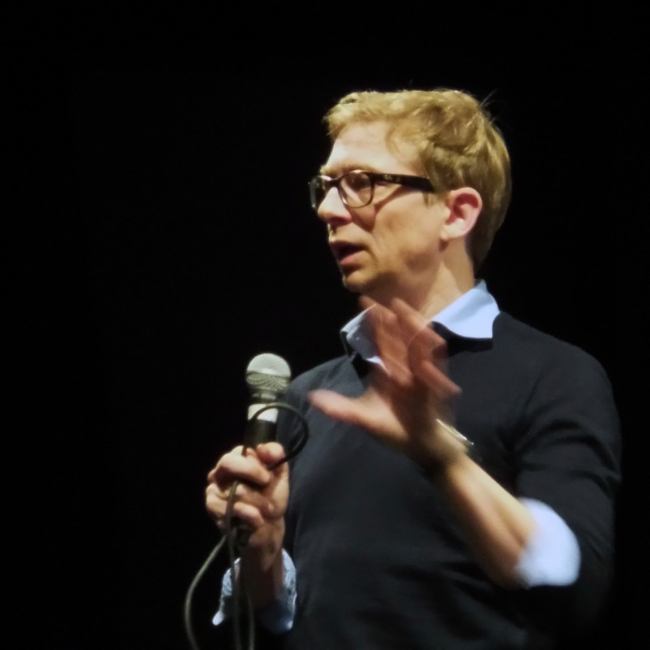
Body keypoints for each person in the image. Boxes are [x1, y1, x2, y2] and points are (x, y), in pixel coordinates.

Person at [205, 89, 621, 649]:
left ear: (456, 212)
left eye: (361, 183)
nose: (329, 210)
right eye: (326, 186)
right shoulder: (310, 395)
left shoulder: (555, 375)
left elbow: (570, 581)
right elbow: (281, 617)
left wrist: (440, 456)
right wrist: (263, 551)